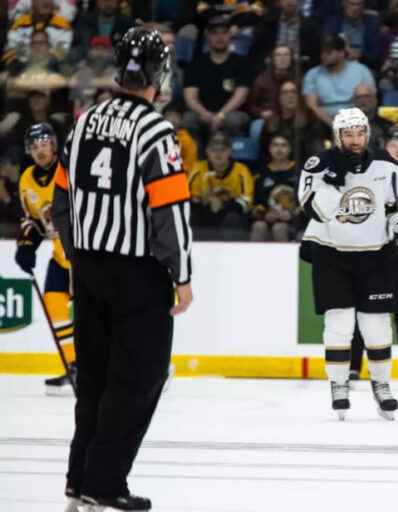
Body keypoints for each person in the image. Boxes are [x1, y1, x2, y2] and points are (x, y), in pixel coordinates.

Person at [52, 27, 193, 512]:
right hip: (138, 273)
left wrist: (77, 257)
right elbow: (169, 211)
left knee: (92, 378)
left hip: (89, 268)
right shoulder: (156, 131)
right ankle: (104, 482)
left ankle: (80, 478)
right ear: (160, 73)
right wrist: (183, 275)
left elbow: (61, 202)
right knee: (137, 379)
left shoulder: (85, 120)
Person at [298, 107, 398, 420]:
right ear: (337, 136)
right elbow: (307, 202)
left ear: (368, 133)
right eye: (348, 133)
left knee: (377, 327)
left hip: (375, 254)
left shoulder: (386, 164)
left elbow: (396, 206)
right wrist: (333, 187)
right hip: (332, 254)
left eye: (360, 132)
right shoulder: (320, 164)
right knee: (339, 326)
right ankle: (338, 385)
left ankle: (382, 385)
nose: (355, 139)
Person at [349, 127, 398, 389]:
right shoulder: (371, 172)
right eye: (394, 143)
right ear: (383, 145)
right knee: (363, 304)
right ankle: (353, 367)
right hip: (373, 246)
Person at [14, 123, 75, 395]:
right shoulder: (26, 179)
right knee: (54, 305)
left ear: (54, 145)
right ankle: (75, 365)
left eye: (44, 144)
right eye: (34, 146)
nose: (40, 150)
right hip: (60, 256)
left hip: (85, 256)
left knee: (99, 316)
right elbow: (32, 220)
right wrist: (27, 244)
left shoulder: (69, 170)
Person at [182, 15, 251, 140]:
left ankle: (230, 156)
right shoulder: (197, 63)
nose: (220, 37)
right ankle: (198, 156)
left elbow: (241, 95)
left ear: (230, 35)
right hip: (203, 114)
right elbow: (190, 97)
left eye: (224, 33)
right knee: (188, 119)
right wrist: (206, 114)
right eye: (215, 33)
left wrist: (221, 115)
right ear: (207, 36)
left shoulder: (241, 62)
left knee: (233, 120)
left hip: (230, 113)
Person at [188, 131, 254, 240]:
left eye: (222, 150)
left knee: (233, 219)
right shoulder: (198, 169)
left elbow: (247, 202)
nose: (218, 154)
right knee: (191, 216)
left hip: (230, 214)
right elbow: (186, 197)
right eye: (214, 150)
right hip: (203, 212)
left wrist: (223, 204)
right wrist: (206, 201)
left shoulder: (241, 171)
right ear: (207, 151)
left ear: (229, 151)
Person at [302, 34, 376, 127]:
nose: (323, 56)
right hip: (323, 124)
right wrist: (334, 126)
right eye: (322, 52)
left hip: (357, 122)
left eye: (328, 52)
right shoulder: (312, 74)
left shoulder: (361, 70)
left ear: (341, 53)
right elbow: (312, 106)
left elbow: (371, 100)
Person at [250, 132, 302, 242]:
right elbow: (256, 202)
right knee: (258, 226)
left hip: (294, 222)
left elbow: (306, 201)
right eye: (275, 145)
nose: (279, 149)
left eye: (284, 145)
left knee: (279, 228)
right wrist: (265, 215)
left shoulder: (300, 172)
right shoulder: (261, 173)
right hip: (268, 220)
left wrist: (291, 214)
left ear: (290, 149)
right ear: (269, 148)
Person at [352, 83, 394, 151]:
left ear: (375, 100)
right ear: (353, 102)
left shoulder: (387, 126)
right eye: (358, 97)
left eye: (367, 96)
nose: (362, 100)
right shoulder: (343, 128)